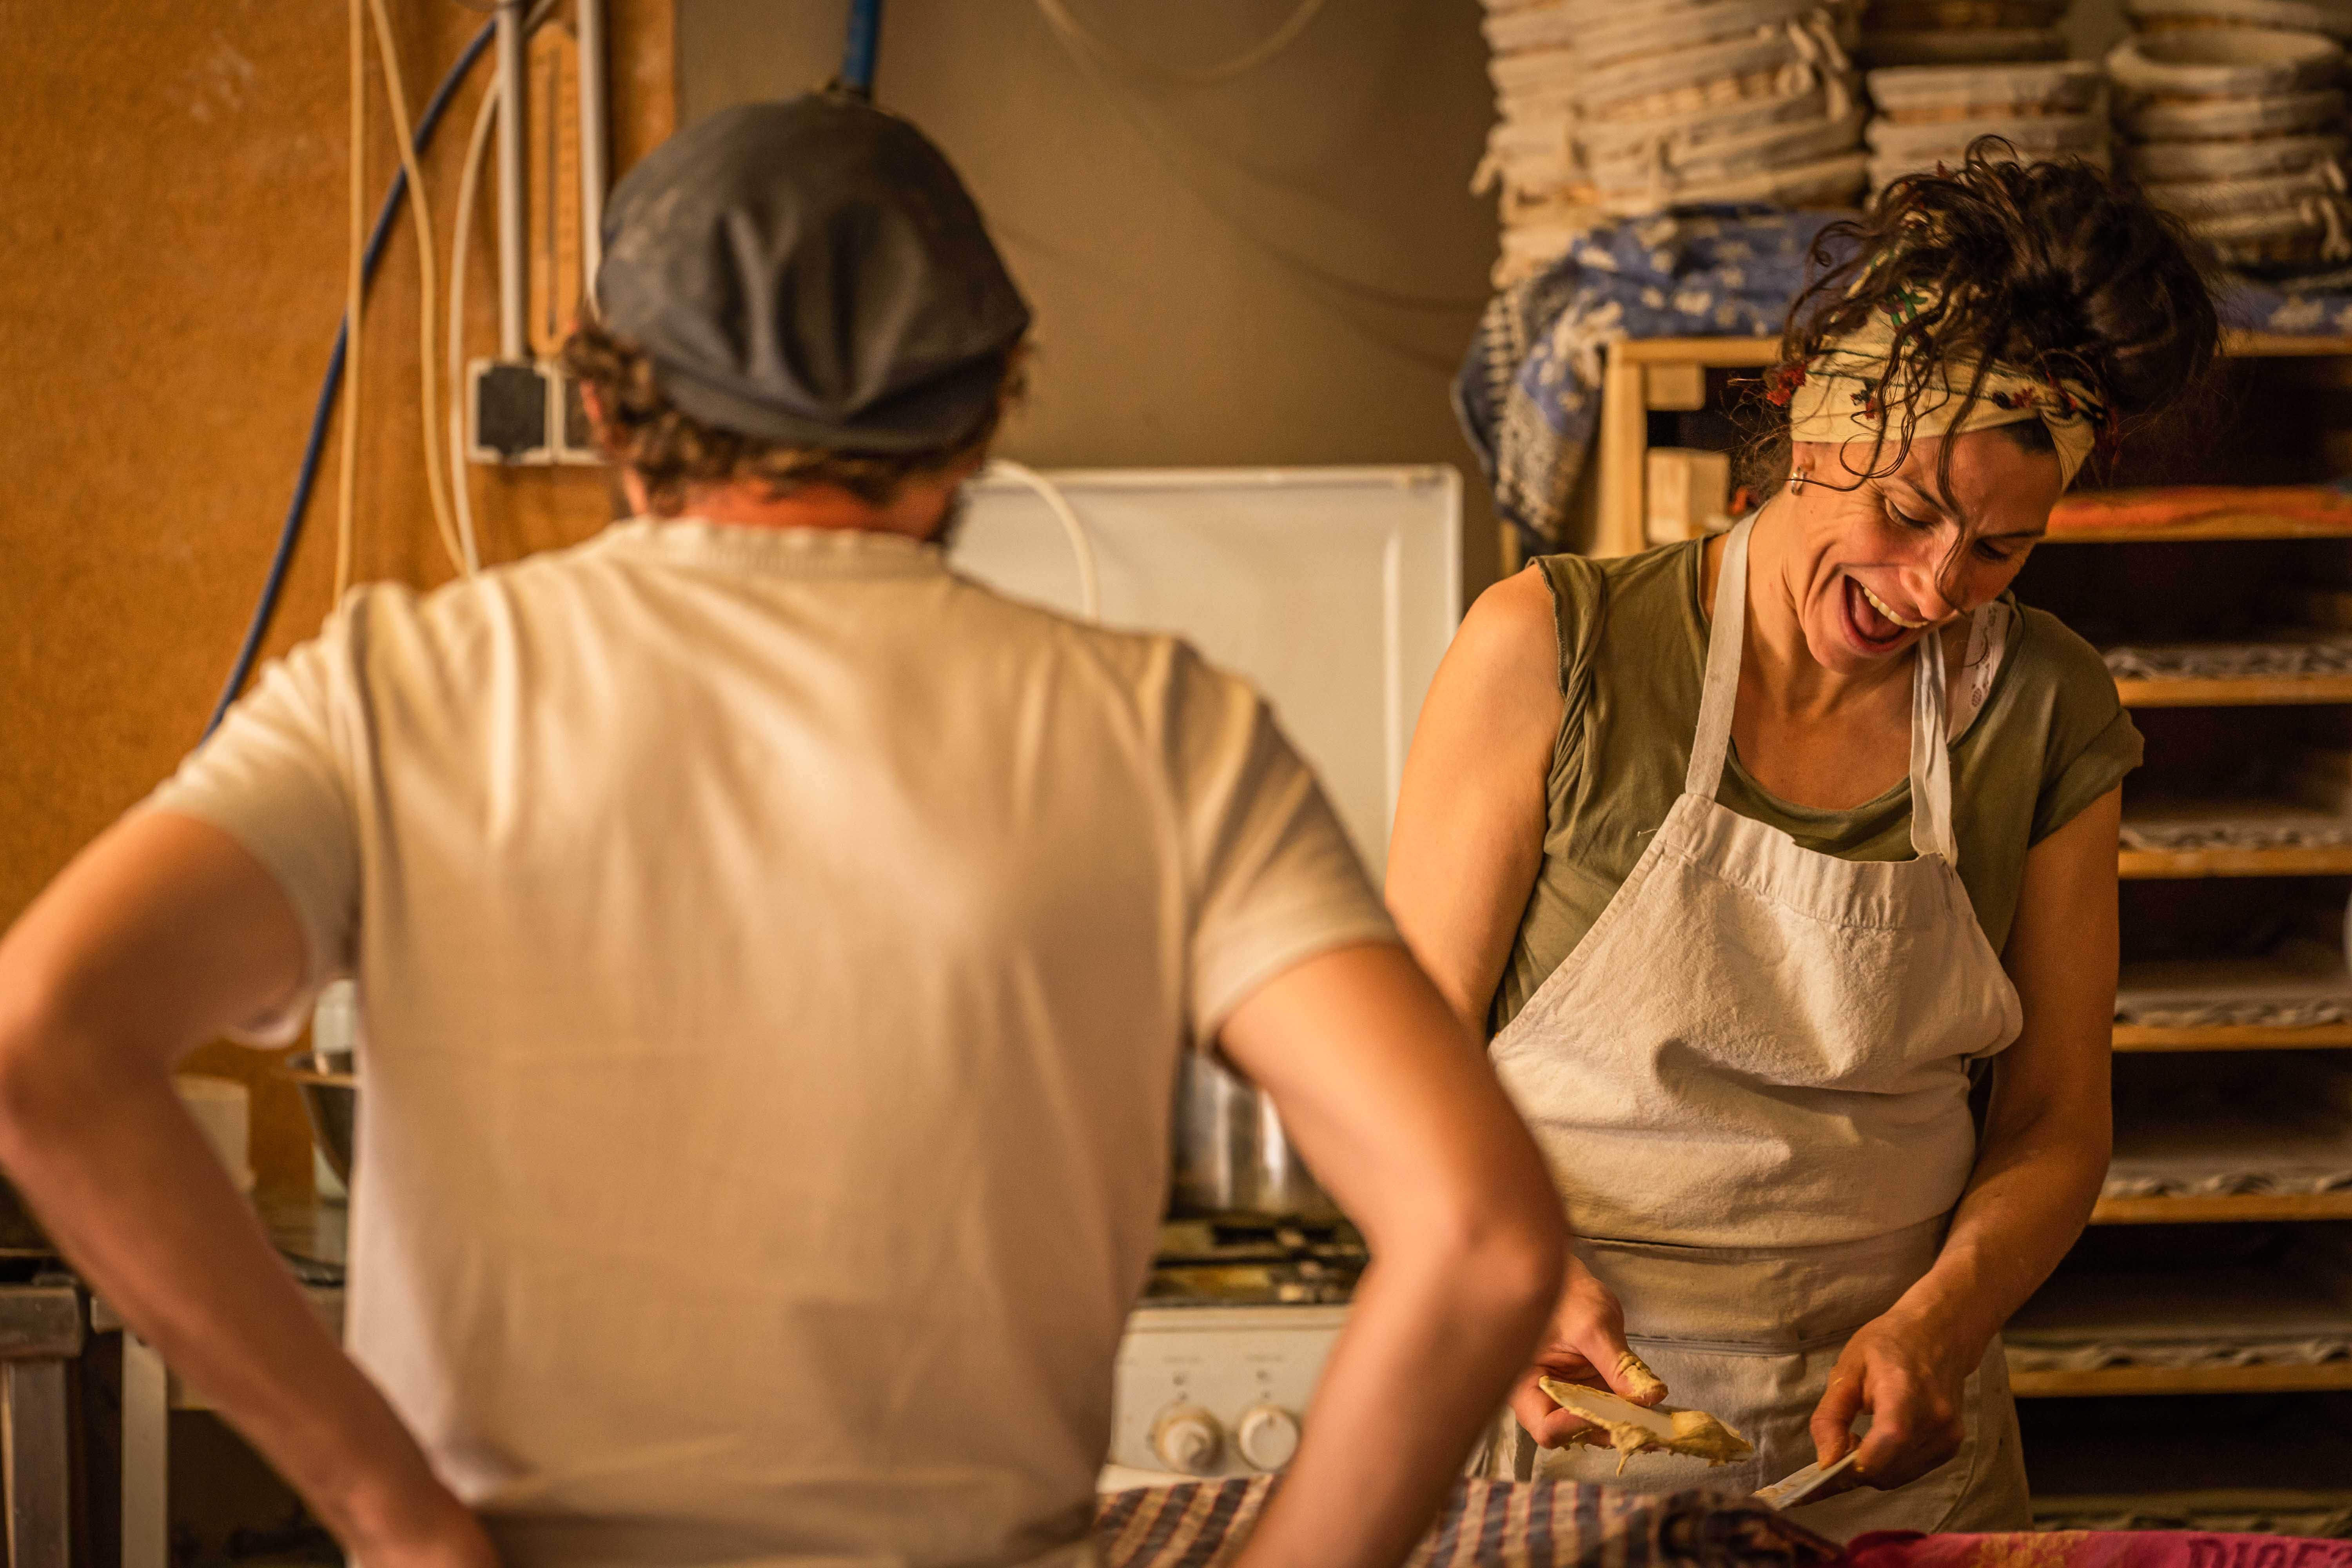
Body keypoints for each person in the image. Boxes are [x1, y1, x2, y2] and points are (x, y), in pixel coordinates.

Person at [0, 93, 1567, 1568]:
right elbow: (1484, 1236)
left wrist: (387, 1510)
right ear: (982, 413)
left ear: (607, 404)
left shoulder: (405, 686)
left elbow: (42, 1037)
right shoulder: (1160, 728)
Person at [1387, 146, 2220, 1536]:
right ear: (1810, 414)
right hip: (1562, 1405)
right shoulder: (1551, 650)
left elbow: (2057, 1122)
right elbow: (1391, 1074)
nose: (1937, 588)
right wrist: (1506, 1266)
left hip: (1897, 1445)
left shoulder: (2048, 708)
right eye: (1905, 513)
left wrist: (1941, 1329)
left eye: (2001, 549)